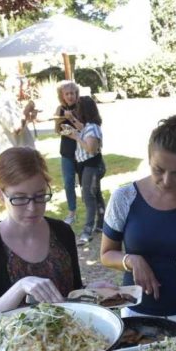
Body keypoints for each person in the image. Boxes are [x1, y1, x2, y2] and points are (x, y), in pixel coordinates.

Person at [0, 147, 111, 324]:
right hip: (18, 349)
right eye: (20, 198)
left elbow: (70, 294)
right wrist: (20, 287)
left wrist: (89, 292)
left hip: (71, 342)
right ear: (0, 194)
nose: (32, 208)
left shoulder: (62, 232)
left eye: (40, 196)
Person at [100, 114, 176, 318]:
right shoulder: (124, 198)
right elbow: (106, 255)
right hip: (138, 310)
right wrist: (132, 260)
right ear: (148, 157)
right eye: (158, 170)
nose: (167, 180)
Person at [66, 96, 105, 246]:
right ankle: (101, 224)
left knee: (88, 197)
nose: (76, 111)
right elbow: (83, 129)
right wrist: (73, 125)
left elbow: (91, 148)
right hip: (88, 166)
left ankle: (87, 232)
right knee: (96, 194)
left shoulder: (93, 127)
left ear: (83, 110)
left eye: (78, 108)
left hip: (92, 166)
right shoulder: (89, 125)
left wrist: (76, 137)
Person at [54, 80, 79, 225]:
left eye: (72, 93)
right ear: (62, 96)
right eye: (67, 94)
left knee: (87, 185)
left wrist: (72, 118)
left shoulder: (83, 107)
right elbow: (57, 130)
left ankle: (96, 213)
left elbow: (86, 128)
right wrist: (61, 121)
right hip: (67, 151)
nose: (70, 96)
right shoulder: (60, 109)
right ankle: (71, 212)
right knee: (68, 183)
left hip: (83, 150)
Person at [0, 78, 36, 152]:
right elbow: (15, 129)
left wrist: (30, 117)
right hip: (15, 155)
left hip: (22, 153)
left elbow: (22, 124)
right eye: (22, 88)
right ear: (13, 88)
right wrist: (26, 111)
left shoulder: (13, 102)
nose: (25, 91)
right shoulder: (3, 104)